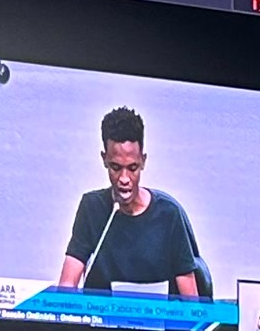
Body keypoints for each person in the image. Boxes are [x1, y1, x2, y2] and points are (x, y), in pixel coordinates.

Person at [59, 106, 204, 294]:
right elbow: (66, 286)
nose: (124, 179)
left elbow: (191, 302)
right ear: (104, 159)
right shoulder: (91, 208)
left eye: (132, 168)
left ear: (143, 161)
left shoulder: (169, 215)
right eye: (116, 167)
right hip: (101, 313)